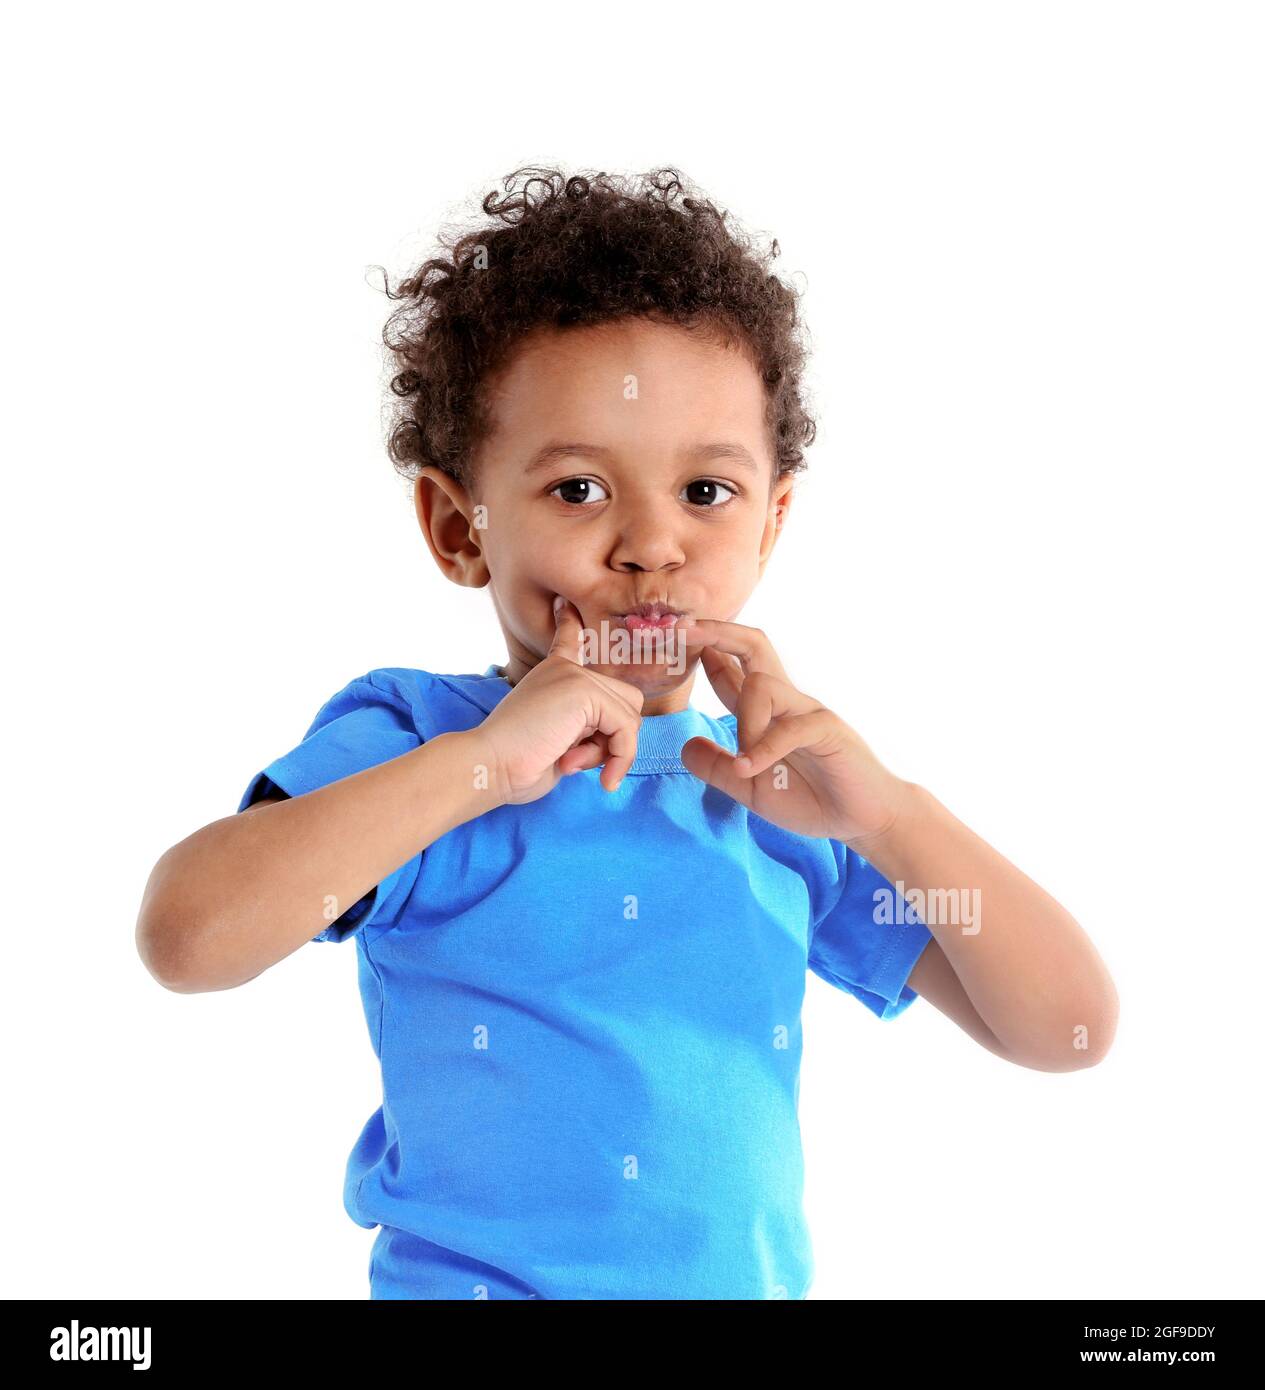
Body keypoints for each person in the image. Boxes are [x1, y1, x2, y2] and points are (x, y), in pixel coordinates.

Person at [136, 167, 1118, 1300]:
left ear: (772, 519)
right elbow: (188, 937)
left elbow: (1070, 1027)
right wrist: (480, 767)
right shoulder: (417, 742)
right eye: (576, 490)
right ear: (461, 527)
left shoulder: (775, 792)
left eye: (705, 491)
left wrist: (890, 815)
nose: (651, 544)